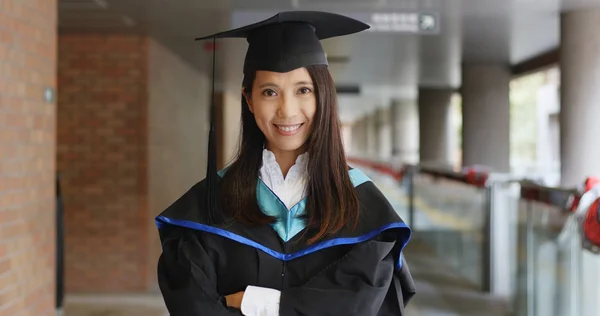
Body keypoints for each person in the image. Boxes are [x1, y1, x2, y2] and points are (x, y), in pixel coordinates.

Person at [155, 10, 415, 316]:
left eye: (303, 90)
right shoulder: (209, 204)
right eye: (269, 92)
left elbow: (359, 304)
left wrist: (256, 303)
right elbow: (191, 302)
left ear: (323, 97)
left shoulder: (362, 206)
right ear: (248, 100)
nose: (287, 110)